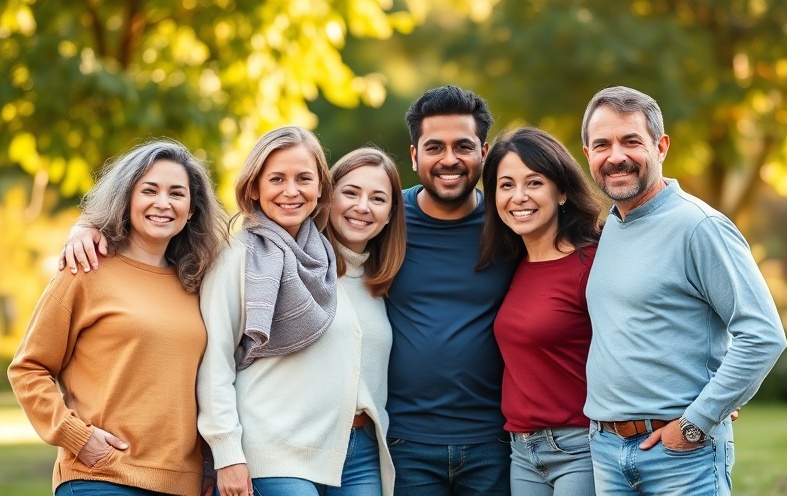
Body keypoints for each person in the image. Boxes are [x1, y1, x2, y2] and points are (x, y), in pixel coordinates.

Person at [57, 134, 406, 495]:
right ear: (254, 188)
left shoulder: (335, 263)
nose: (291, 191)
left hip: (359, 451)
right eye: (276, 179)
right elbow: (215, 362)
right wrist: (226, 455)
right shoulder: (236, 256)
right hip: (276, 452)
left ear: (320, 189)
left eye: (303, 179)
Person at [580, 85, 787, 495]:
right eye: (602, 144)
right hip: (606, 450)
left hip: (680, 457)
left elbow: (763, 334)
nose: (616, 155)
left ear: (661, 147)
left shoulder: (699, 226)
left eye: (631, 141)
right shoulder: (611, 229)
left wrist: (698, 421)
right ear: (588, 155)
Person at [8, 140, 229, 495]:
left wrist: (208, 466)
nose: (163, 203)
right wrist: (77, 436)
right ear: (127, 198)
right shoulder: (85, 270)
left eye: (176, 193)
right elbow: (28, 368)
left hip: (183, 484)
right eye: (149, 190)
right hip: (104, 477)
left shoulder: (199, 284)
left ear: (191, 210)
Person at [385, 85, 516, 495]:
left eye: (463, 146)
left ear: (483, 151)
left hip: (493, 442)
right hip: (405, 442)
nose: (449, 160)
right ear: (414, 156)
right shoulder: (384, 219)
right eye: (434, 147)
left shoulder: (512, 221)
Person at [476, 126, 602, 495]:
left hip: (579, 447)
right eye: (506, 185)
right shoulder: (510, 264)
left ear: (561, 191)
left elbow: (652, 328)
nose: (518, 197)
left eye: (534, 183)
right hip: (521, 450)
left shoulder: (593, 263)